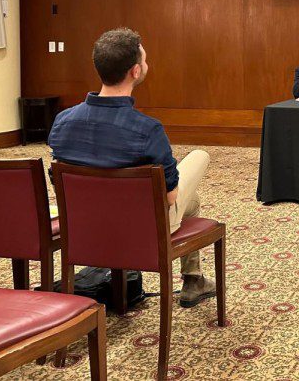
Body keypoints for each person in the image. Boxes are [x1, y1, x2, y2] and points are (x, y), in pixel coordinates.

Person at [48, 28, 215, 308]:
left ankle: (194, 277)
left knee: (193, 201)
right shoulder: (147, 130)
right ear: (136, 71)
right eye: (146, 61)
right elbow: (170, 196)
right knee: (198, 157)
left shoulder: (62, 121)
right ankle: (193, 279)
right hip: (142, 229)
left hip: (83, 224)